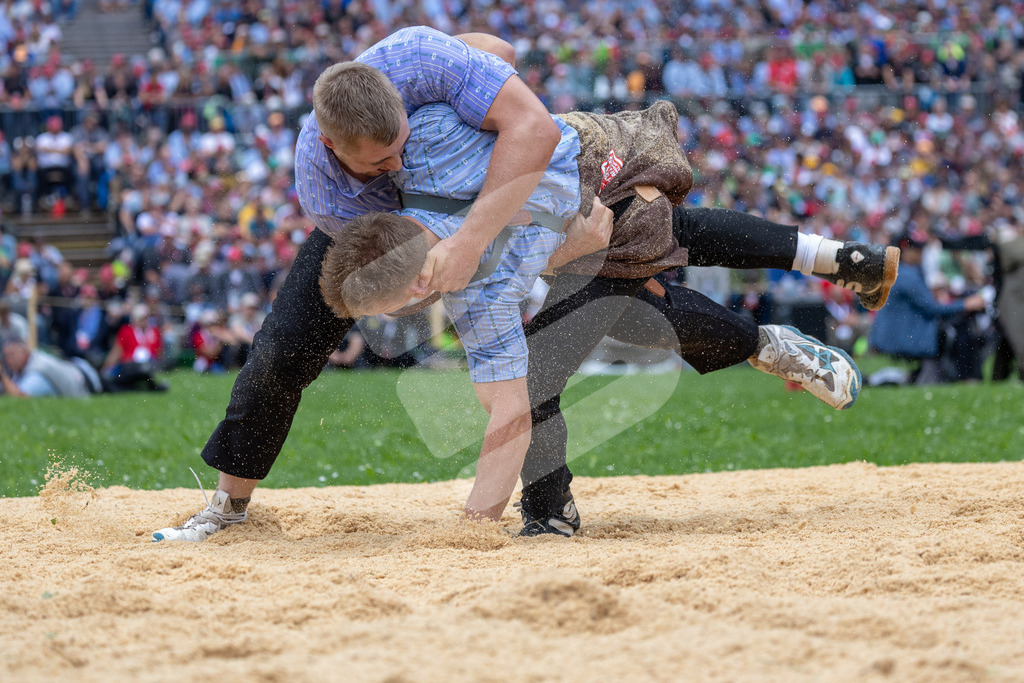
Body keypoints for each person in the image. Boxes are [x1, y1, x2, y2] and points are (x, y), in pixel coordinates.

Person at [154, 89, 895, 541]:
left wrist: (474, 529)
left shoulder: (485, 236)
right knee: (626, 290)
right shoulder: (430, 213)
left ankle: (765, 345)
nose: (410, 311)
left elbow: (511, 401)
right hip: (566, 187)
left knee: (640, 280)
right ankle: (830, 272)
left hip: (601, 172)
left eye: (403, 299)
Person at [153, 26, 561, 542]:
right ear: (332, 144)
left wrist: (476, 235)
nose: (397, 165)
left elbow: (523, 100)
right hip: (385, 234)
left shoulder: (420, 57)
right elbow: (396, 286)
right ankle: (229, 502)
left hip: (485, 200)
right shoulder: (324, 190)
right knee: (284, 347)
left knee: (592, 287)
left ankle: (548, 504)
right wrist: (427, 277)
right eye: (379, 163)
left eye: (400, 147)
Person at [869, 231, 985, 385]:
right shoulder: (906, 275)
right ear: (905, 252)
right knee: (959, 327)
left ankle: (953, 376)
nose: (921, 253)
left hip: (898, 332)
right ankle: (967, 377)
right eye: (917, 250)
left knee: (953, 326)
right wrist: (966, 304)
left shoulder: (896, 272)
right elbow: (932, 308)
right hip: (906, 335)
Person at [1, 337, 102, 397]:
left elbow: (20, 398)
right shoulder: (32, 359)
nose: (9, 360)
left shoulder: (37, 371)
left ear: (25, 351)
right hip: (77, 367)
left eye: (12, 355)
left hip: (88, 381)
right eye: (6, 356)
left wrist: (2, 375)